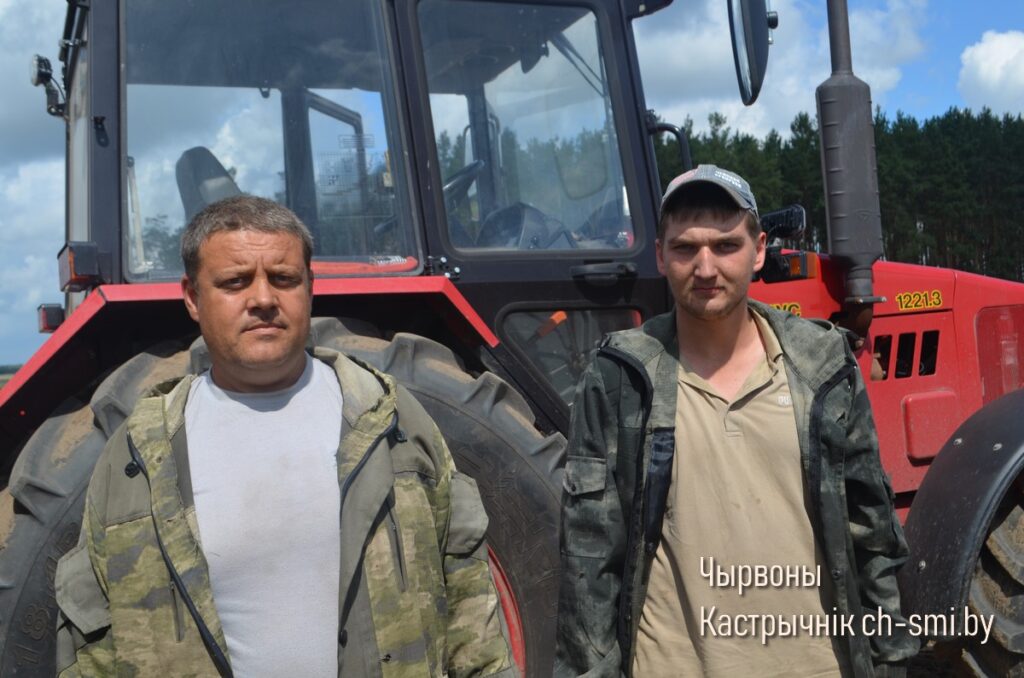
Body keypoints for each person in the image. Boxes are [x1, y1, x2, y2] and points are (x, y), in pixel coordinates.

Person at [54, 195, 514, 677]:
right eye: (234, 282)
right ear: (192, 297)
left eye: (284, 279)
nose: (263, 300)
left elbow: (469, 603)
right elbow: (92, 646)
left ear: (310, 287)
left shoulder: (392, 421)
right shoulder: (138, 457)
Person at [554, 165, 919, 677]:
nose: (705, 267)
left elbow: (872, 535)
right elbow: (589, 558)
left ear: (759, 249)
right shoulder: (621, 378)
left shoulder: (823, 367)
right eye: (685, 248)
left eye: (726, 245)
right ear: (659, 254)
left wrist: (891, 658)